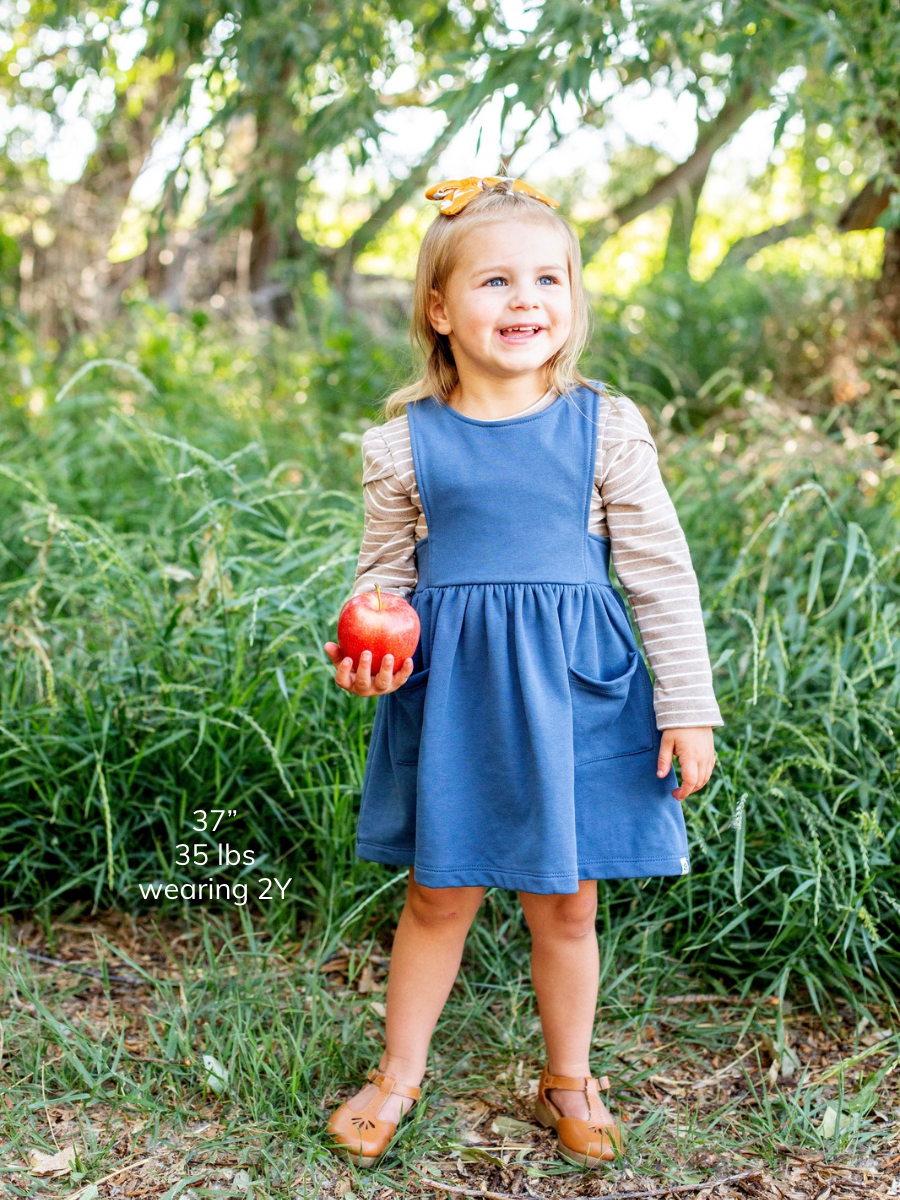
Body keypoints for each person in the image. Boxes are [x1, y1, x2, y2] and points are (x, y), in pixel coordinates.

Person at [322, 173, 724, 1169]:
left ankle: (568, 1077)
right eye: (495, 280)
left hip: (576, 700)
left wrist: (688, 706)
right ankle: (399, 1072)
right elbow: (382, 590)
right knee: (437, 894)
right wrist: (367, 659)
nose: (525, 299)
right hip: (453, 700)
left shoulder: (603, 428)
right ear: (439, 309)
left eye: (549, 278)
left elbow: (661, 578)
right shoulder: (404, 444)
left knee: (569, 901)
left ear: (574, 301)